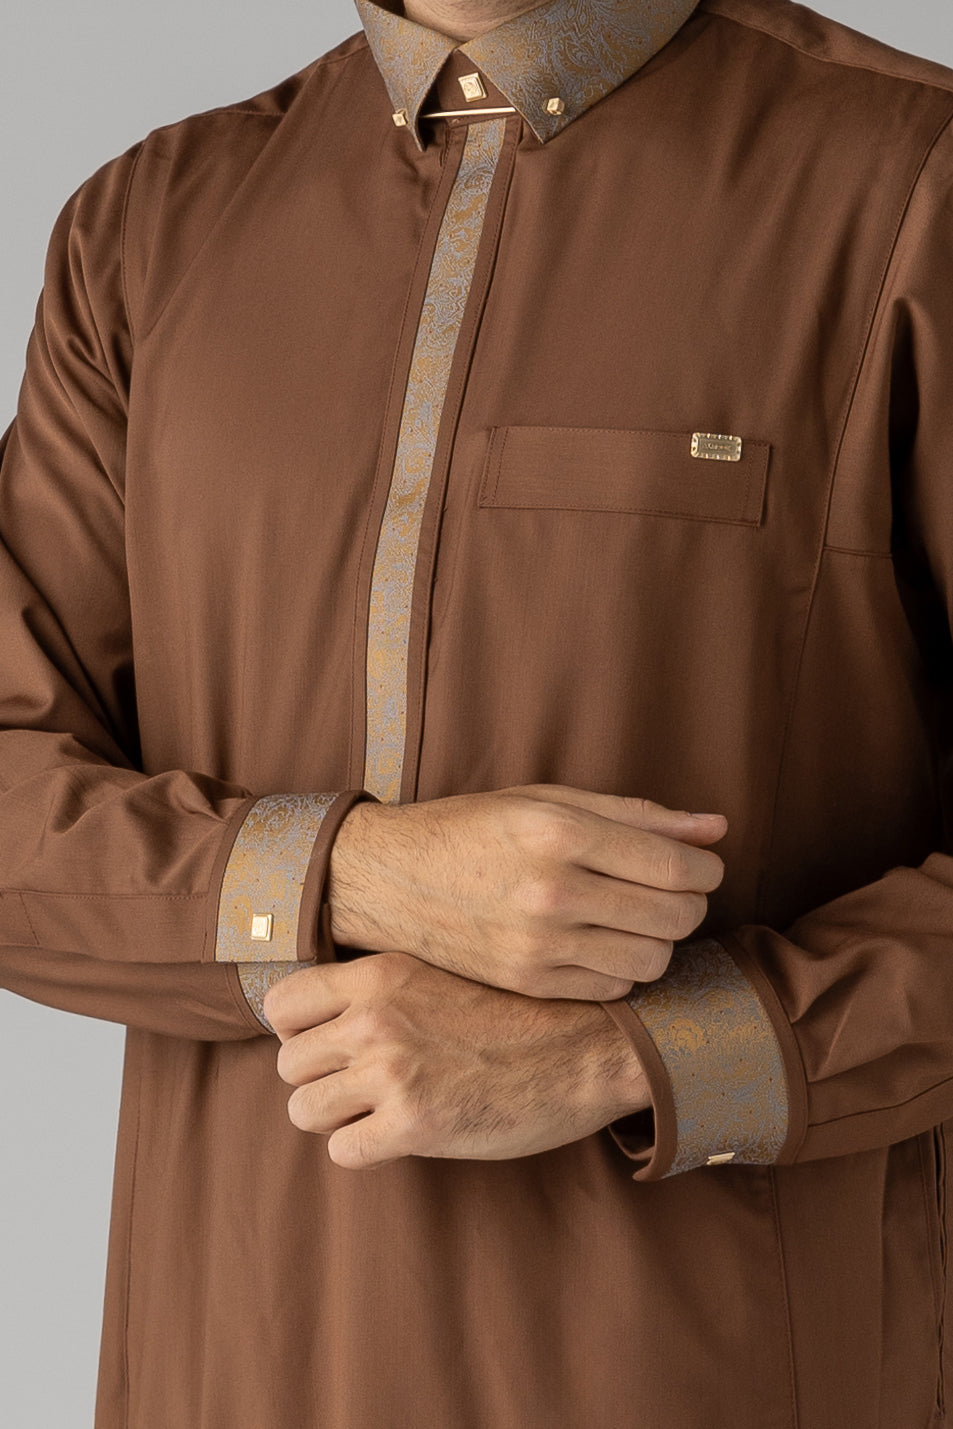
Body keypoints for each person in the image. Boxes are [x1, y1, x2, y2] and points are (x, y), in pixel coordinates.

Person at [1, 0, 952, 1422]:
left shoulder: (909, 182)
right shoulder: (147, 229)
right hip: (228, 1361)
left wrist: (637, 1053)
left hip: (704, 1373)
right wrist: (345, 874)